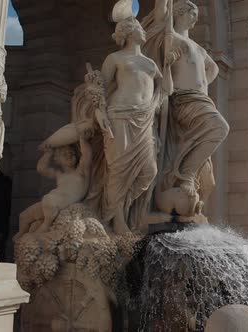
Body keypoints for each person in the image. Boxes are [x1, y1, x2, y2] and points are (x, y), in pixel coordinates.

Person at [141, 0, 229, 213]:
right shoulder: (172, 36)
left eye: (197, 14)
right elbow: (161, 14)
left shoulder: (198, 47)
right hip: (183, 99)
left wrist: (203, 82)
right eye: (191, 13)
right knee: (219, 127)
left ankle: (184, 174)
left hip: (199, 99)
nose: (195, 17)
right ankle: (185, 174)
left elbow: (214, 68)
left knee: (216, 130)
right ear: (179, 13)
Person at [95, 11, 163, 233]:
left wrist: (169, 66)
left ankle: (123, 207)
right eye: (140, 28)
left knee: (149, 170)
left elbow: (163, 89)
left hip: (144, 118)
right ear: (128, 31)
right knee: (118, 170)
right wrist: (100, 113)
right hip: (120, 114)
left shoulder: (151, 63)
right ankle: (117, 219)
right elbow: (100, 88)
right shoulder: (115, 58)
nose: (144, 31)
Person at [14, 134, 92, 241]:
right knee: (23, 216)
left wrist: (82, 139)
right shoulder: (59, 174)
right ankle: (21, 233)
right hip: (52, 203)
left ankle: (46, 224)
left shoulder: (80, 172)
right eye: (65, 154)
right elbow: (41, 168)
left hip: (65, 202)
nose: (69, 156)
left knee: (48, 199)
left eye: (72, 154)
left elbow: (87, 155)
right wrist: (48, 154)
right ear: (57, 159)